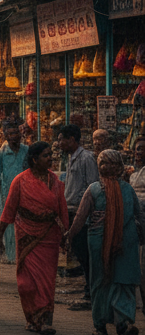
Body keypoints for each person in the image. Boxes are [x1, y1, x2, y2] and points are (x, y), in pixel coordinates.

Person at [65, 149, 144, 335]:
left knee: (111, 281)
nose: (106, 167)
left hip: (113, 241)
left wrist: (69, 237)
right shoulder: (111, 189)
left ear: (118, 167)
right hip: (112, 242)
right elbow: (81, 217)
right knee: (111, 280)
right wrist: (70, 235)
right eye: (103, 163)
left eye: (110, 163)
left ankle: (113, 324)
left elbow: (81, 219)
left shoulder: (108, 189)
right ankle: (111, 323)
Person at [0, 141, 68, 334]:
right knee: (27, 282)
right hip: (26, 234)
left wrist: (66, 235)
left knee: (47, 280)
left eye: (51, 154)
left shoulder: (55, 182)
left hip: (49, 236)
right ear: (34, 160)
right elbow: (9, 210)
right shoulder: (21, 180)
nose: (50, 158)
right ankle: (32, 317)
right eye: (46, 155)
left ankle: (44, 320)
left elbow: (62, 210)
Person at [57, 124, 99, 311]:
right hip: (72, 210)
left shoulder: (86, 158)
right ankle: (89, 291)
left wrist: (85, 212)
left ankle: (91, 293)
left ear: (72, 139)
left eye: (61, 139)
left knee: (85, 254)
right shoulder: (70, 158)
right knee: (80, 253)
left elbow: (92, 187)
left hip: (82, 213)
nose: (59, 143)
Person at [0, 122, 29, 263]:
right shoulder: (2, 153)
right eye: (11, 134)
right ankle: (11, 255)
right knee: (8, 224)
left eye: (16, 133)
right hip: (7, 194)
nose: (14, 136)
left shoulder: (27, 151)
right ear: (6, 136)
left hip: (25, 193)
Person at [130, 137, 145, 312]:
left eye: (141, 149)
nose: (138, 153)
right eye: (136, 149)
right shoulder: (134, 174)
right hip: (138, 227)